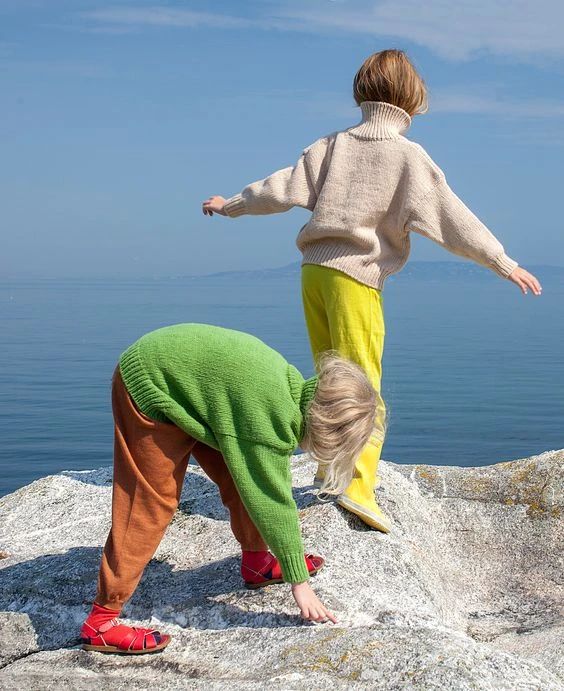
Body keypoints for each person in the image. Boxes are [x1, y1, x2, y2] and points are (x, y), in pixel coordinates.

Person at [202, 49, 542, 533]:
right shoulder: (407, 156)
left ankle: (328, 470)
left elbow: (280, 189)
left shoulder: (332, 145)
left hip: (314, 272)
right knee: (363, 385)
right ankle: (358, 486)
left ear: (362, 91)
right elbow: (453, 219)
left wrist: (230, 205)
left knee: (329, 378)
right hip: (355, 279)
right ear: (413, 98)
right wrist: (502, 262)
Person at [80, 323, 382, 654]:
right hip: (149, 380)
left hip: (188, 385)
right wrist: (300, 582)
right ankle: (101, 621)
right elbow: (272, 500)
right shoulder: (268, 422)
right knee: (151, 502)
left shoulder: (291, 390)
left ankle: (256, 562)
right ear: (326, 427)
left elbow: (254, 481)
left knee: (240, 474)